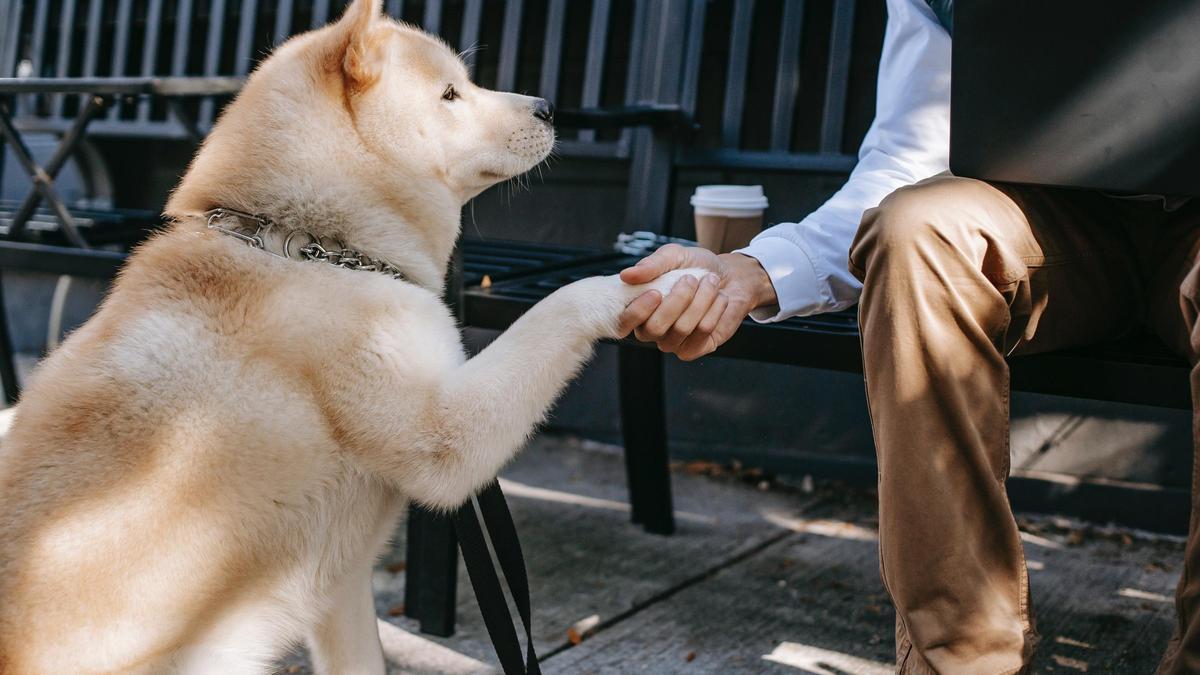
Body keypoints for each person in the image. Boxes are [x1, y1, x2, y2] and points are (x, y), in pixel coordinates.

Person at [617, 0, 1200, 672]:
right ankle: (960, 659)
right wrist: (753, 269)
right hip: (1051, 223)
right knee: (915, 229)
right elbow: (907, 155)